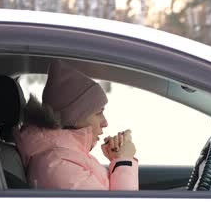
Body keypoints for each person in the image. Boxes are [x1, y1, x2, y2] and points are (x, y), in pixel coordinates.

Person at [14, 60, 138, 190]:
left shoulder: (65, 156)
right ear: (75, 117)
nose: (105, 123)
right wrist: (124, 161)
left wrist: (116, 159)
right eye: (98, 113)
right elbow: (121, 208)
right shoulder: (59, 166)